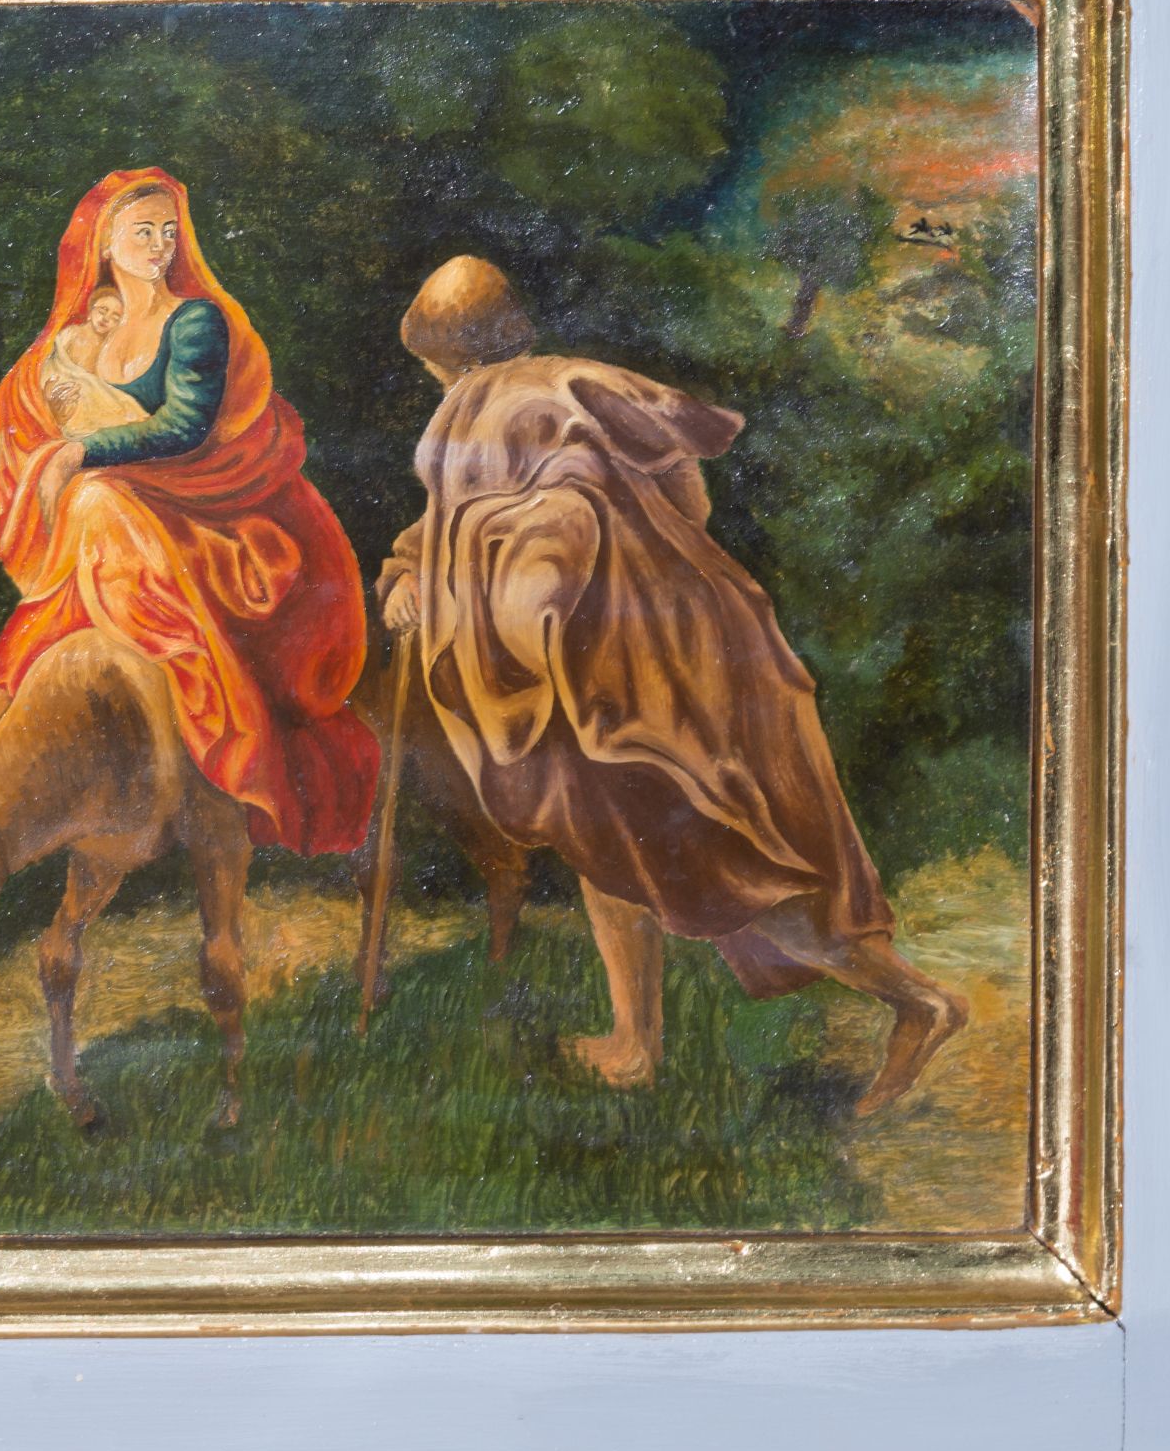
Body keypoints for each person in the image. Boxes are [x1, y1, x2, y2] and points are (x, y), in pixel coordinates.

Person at [375, 254, 966, 1113]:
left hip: (628, 663)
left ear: (444, 353)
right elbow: (682, 494)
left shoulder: (475, 408)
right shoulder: (580, 382)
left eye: (430, 362)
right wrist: (417, 571)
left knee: (728, 854)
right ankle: (634, 1042)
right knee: (606, 837)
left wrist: (432, 584)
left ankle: (917, 1000)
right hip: (676, 638)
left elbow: (499, 531)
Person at [0, 168, 377, 859]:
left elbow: (185, 427)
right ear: (103, 243)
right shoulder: (85, 333)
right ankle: (40, 663)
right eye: (142, 232)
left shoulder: (195, 322)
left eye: (167, 231)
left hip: (204, 504)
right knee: (96, 502)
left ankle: (57, 661)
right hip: (124, 504)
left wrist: (81, 452)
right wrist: (53, 436)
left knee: (95, 499)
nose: (159, 245)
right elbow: (36, 400)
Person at [41, 286, 148, 436]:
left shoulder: (109, 348)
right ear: (91, 311)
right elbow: (56, 358)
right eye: (102, 311)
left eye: (115, 317)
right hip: (65, 382)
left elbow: (102, 380)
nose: (106, 318)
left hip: (92, 391)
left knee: (123, 405)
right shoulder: (72, 333)